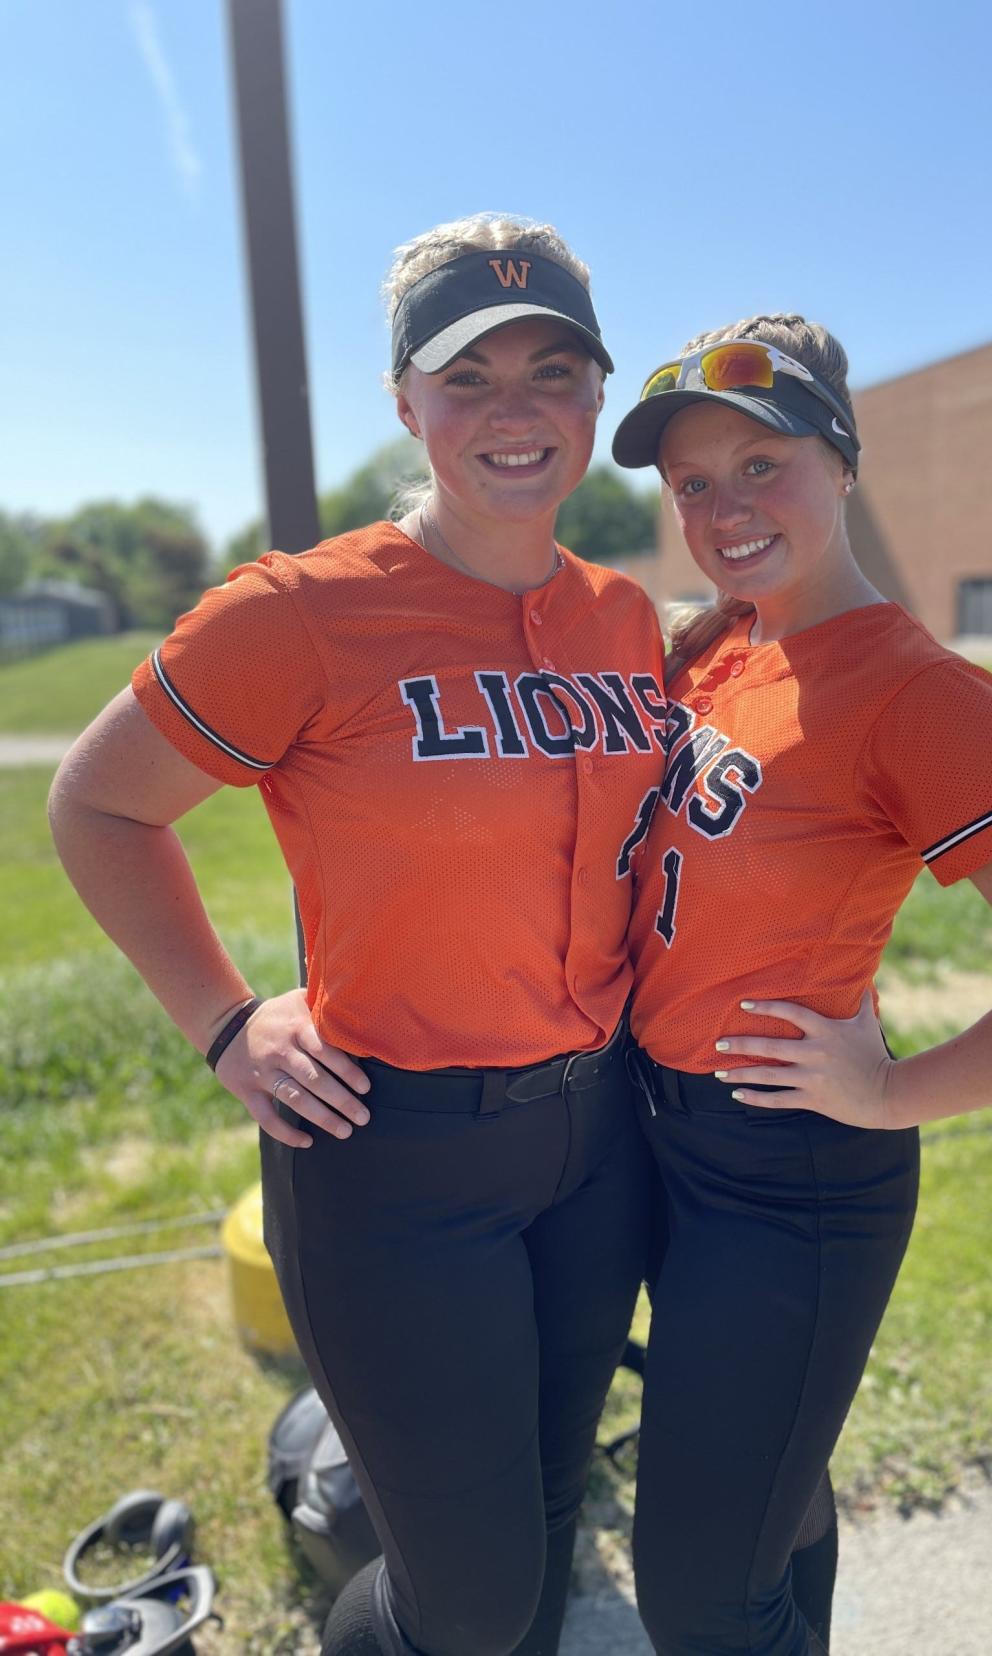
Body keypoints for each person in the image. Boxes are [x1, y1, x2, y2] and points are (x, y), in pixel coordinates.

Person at [48, 214, 669, 1656]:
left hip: (597, 1147)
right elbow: (99, 809)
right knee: (463, 1598)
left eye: (551, 370)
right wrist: (222, 1017)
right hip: (395, 1164)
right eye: (469, 376)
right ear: (406, 403)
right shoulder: (299, 615)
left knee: (549, 1508)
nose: (514, 412)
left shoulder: (626, 615)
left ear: (594, 396)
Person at [610, 315, 992, 1655]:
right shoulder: (715, 650)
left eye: (761, 464)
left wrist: (887, 1090)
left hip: (785, 1172)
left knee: (694, 1590)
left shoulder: (922, 695)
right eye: (691, 484)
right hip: (654, 1135)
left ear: (842, 463)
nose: (721, 507)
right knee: (766, 1495)